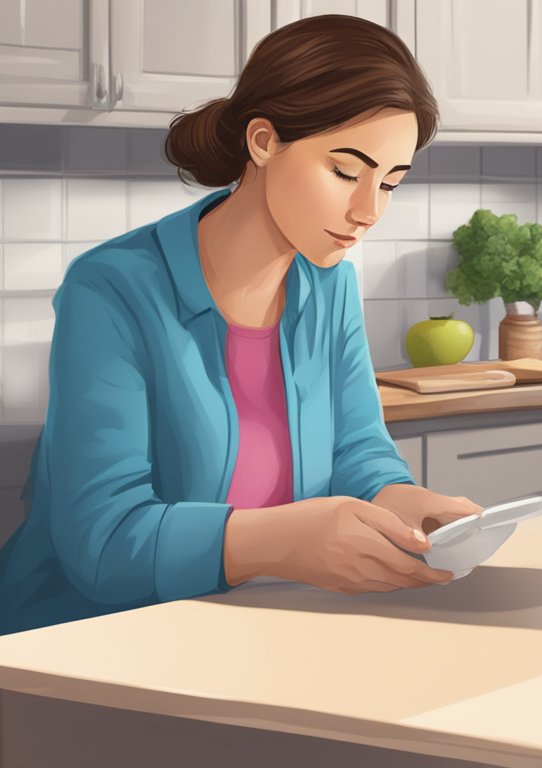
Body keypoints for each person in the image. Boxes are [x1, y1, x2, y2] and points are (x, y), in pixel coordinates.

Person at [0, 15, 481, 635]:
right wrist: (283, 541)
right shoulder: (113, 287)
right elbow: (103, 541)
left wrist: (409, 505)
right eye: (344, 171)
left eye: (389, 182)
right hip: (80, 648)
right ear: (263, 141)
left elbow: (358, 455)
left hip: (245, 629)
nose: (368, 211)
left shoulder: (328, 282)